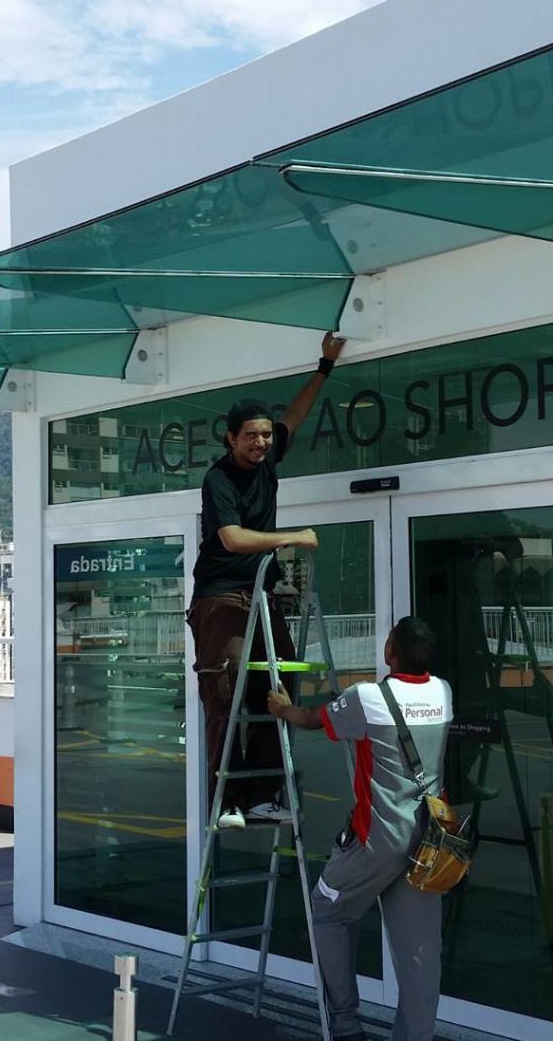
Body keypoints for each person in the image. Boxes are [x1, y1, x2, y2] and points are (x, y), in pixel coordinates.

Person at [188, 330, 346, 830]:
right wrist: (292, 536)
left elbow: (295, 414)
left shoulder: (269, 457)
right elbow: (232, 539)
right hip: (220, 598)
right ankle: (226, 800)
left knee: (278, 686)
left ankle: (262, 793)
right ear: (230, 439)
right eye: (250, 436)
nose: (261, 443)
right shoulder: (218, 480)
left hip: (259, 595)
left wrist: (324, 366)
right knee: (229, 686)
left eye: (265, 436)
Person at [268, 616, 452, 1041]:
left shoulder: (368, 698)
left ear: (390, 653)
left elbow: (314, 718)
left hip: (375, 842)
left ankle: (347, 1027)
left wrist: (281, 709)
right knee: (420, 954)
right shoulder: (443, 692)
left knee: (328, 911)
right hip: (427, 845)